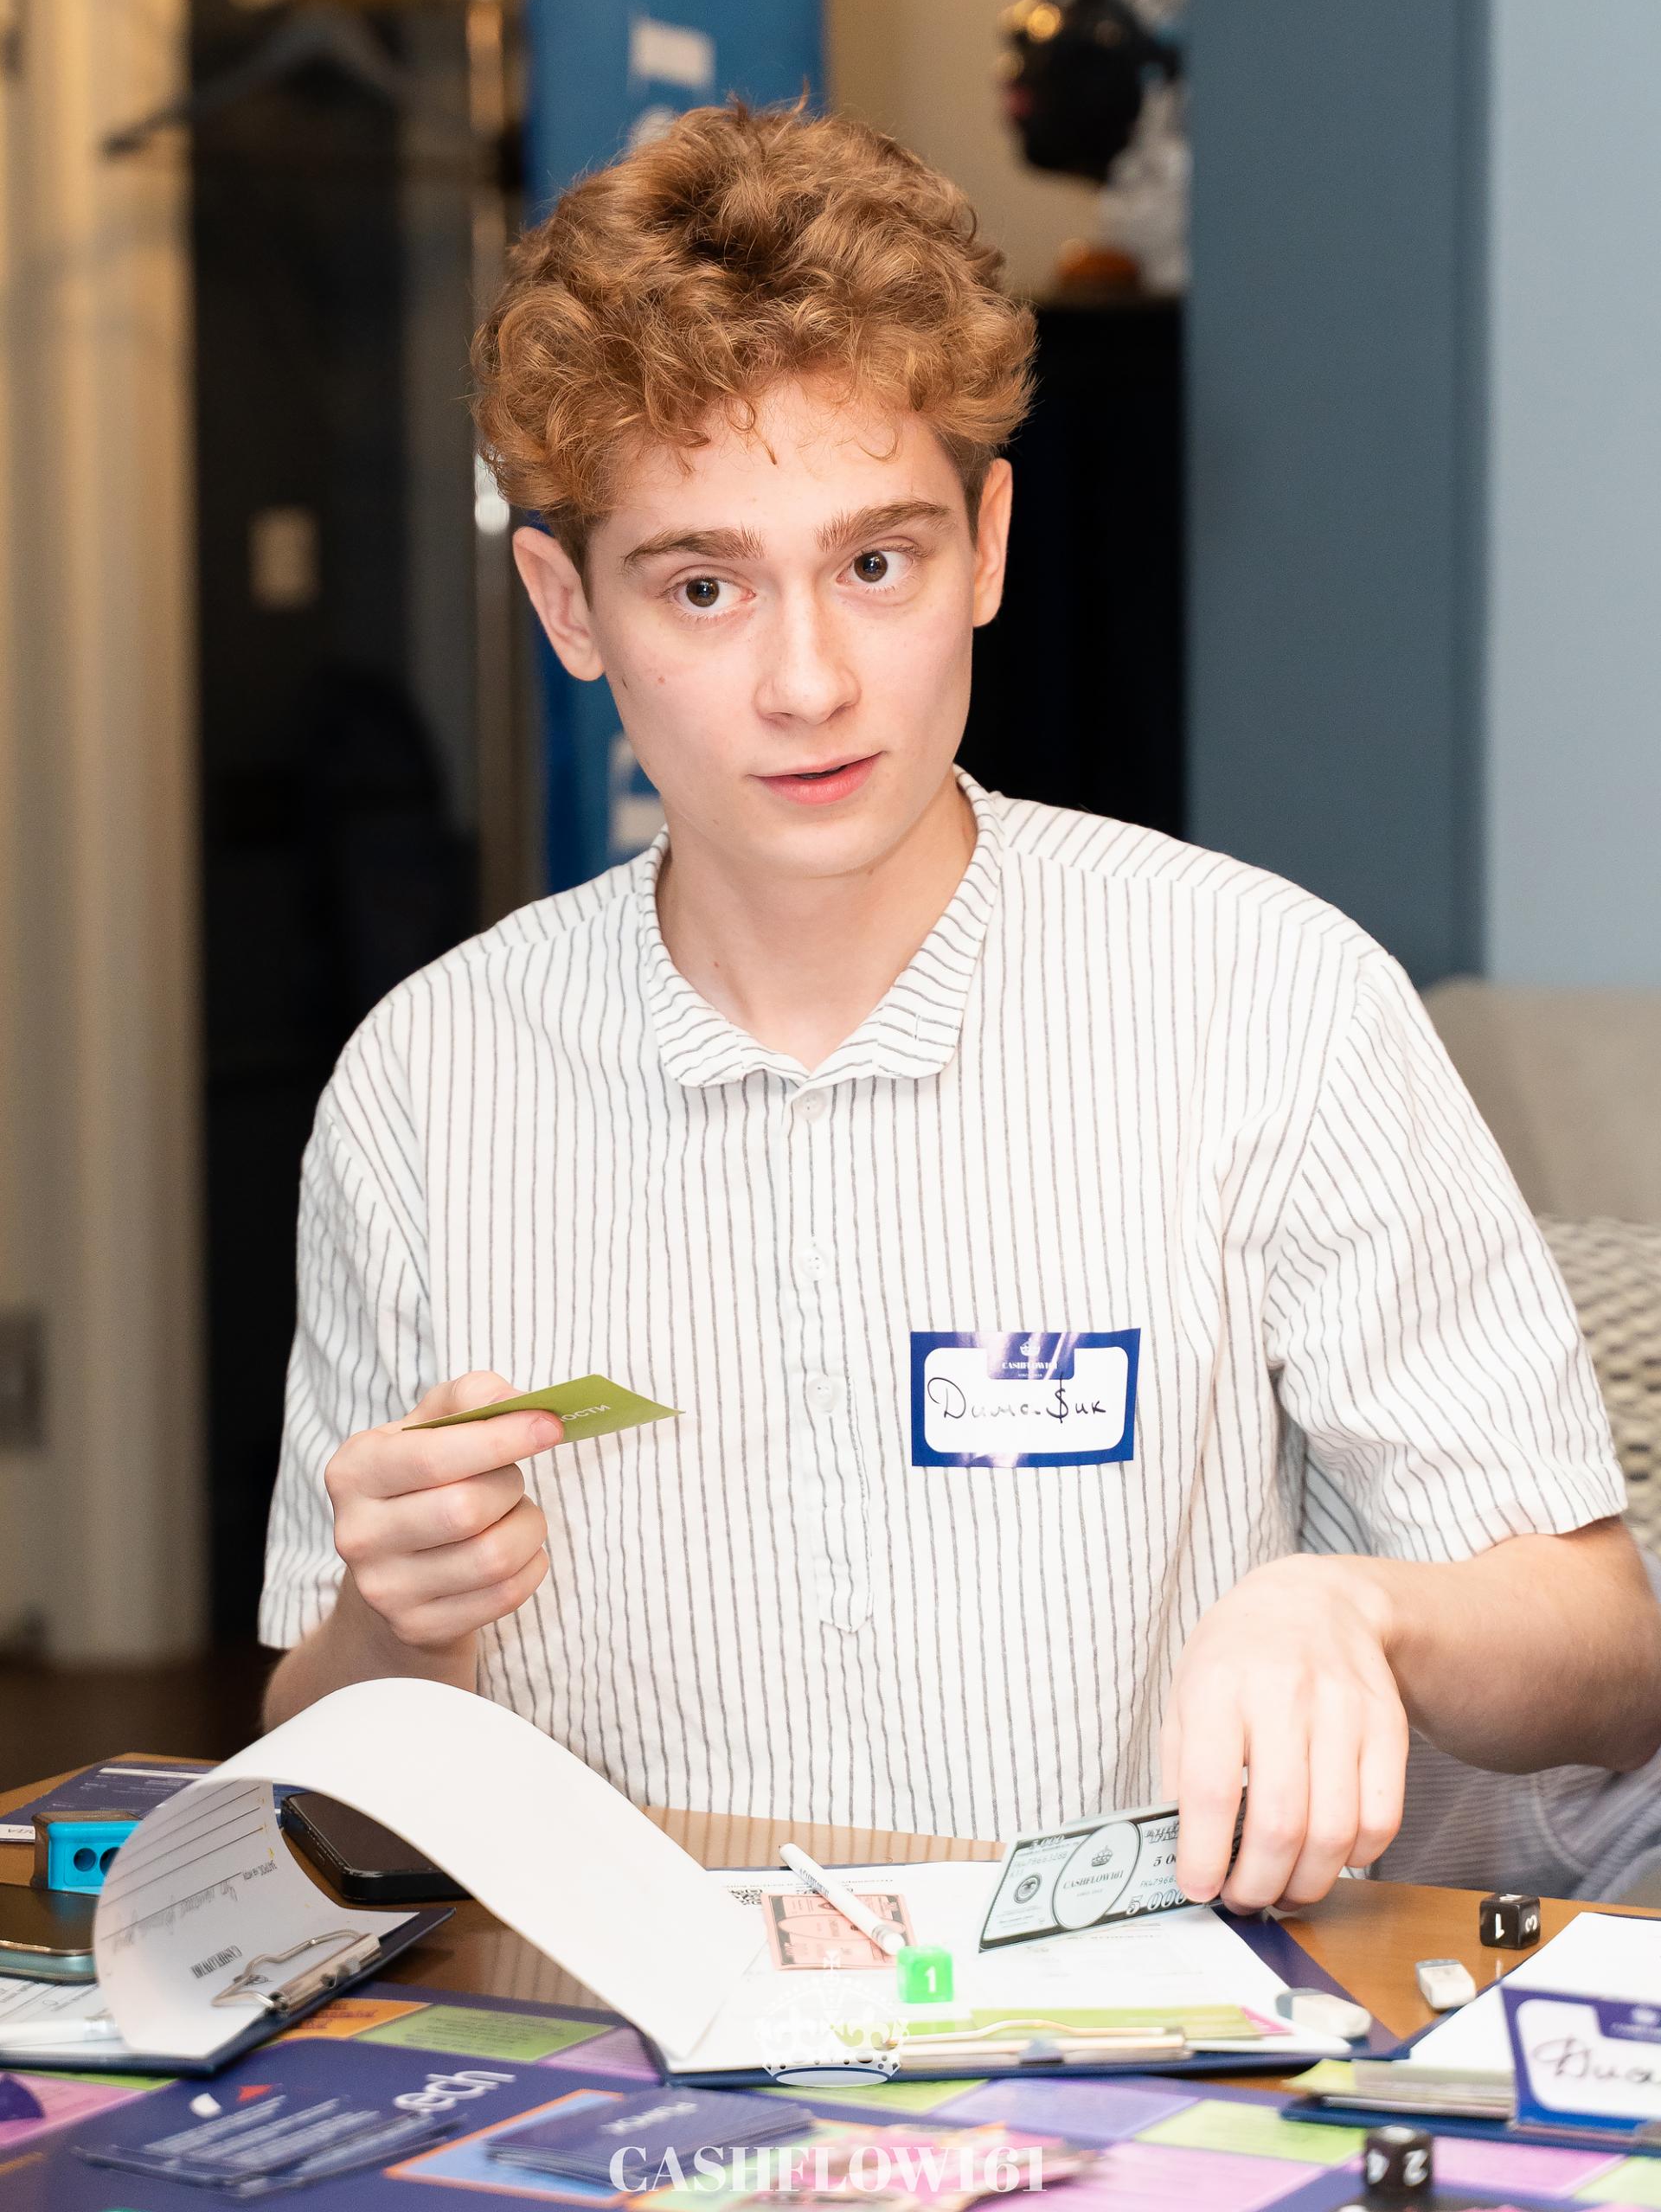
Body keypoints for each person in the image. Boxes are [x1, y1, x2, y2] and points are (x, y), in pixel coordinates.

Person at [260, 103, 1661, 1911]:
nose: (810, 682)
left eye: (877, 563)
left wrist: (1364, 1607)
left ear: (987, 547)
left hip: (1166, 2035)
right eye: (705, 586)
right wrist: (393, 1632)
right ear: (568, 605)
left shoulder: (1270, 998)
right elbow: (333, 1827)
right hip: (623, 2044)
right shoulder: (425, 1088)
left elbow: (1610, 1660)